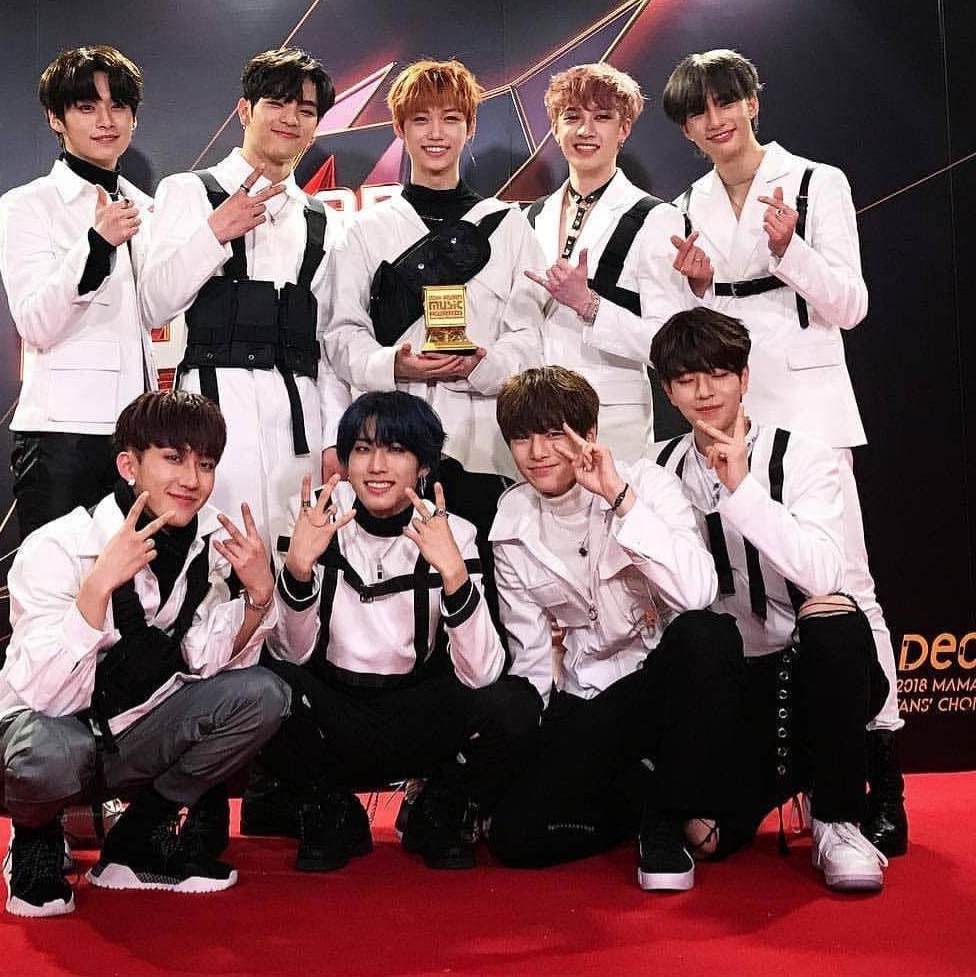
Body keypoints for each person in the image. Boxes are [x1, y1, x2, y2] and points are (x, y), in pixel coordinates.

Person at [660, 49, 905, 855]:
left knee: (846, 585)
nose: (715, 120)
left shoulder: (815, 182)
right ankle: (758, 755)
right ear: (685, 128)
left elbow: (851, 304)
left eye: (726, 101)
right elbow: (696, 329)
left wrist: (790, 249)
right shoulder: (687, 202)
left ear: (753, 101)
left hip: (807, 400)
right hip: (725, 403)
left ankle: (880, 777)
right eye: (698, 111)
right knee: (734, 579)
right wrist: (696, 287)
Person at [0, 391, 291, 917]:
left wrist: (258, 597)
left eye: (206, 464)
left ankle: (137, 840)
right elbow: (45, 695)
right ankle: (35, 839)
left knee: (262, 696)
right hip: (45, 737)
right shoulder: (58, 545)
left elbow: (202, 660)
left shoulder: (207, 547)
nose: (192, 480)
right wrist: (97, 589)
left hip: (131, 733)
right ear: (128, 466)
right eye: (173, 458)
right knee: (50, 753)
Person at [651, 307, 890, 891]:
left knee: (832, 617)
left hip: (814, 674)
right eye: (687, 379)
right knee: (705, 841)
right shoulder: (655, 467)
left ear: (745, 378)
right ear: (668, 390)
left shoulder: (804, 455)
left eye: (719, 374)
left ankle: (838, 819)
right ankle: (787, 782)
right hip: (730, 693)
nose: (705, 391)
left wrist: (741, 489)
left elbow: (824, 571)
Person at [259, 391, 541, 872]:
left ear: (424, 466)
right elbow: (291, 652)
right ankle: (329, 809)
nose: (376, 466)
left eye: (395, 450)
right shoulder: (310, 515)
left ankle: (441, 806)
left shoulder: (455, 531)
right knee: (264, 687)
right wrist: (299, 569)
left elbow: (482, 673)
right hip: (335, 710)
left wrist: (454, 574)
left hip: (420, 712)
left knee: (515, 704)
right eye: (362, 449)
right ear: (345, 461)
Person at [486, 367, 735, 893]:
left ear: (590, 433)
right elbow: (531, 658)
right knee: (515, 838)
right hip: (590, 699)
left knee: (706, 634)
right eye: (522, 438)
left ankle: (664, 820)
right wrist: (543, 756)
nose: (538, 453)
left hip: (663, 687)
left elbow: (697, 591)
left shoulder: (646, 484)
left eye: (553, 434)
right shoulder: (510, 522)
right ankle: (641, 799)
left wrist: (618, 497)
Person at [141, 46, 350, 552]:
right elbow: (154, 304)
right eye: (277, 103)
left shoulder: (324, 220)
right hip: (213, 422)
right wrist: (214, 233)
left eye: (305, 110)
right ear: (244, 111)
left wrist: (333, 439)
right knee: (216, 559)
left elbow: (328, 342)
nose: (290, 118)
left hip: (300, 425)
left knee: (297, 561)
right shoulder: (189, 192)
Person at [324, 58, 547, 482]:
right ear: (399, 128)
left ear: (470, 127)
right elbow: (341, 334)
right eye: (421, 119)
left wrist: (481, 365)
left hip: (488, 442)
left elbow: (530, 338)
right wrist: (394, 364)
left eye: (451, 119)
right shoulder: (365, 229)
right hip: (392, 444)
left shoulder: (509, 227)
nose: (436, 133)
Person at [0, 45, 156, 540]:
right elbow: (35, 322)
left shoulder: (148, 208)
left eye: (118, 106)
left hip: (142, 437)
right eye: (87, 107)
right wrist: (96, 244)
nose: (106, 121)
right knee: (57, 579)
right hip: (62, 437)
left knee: (137, 582)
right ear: (56, 118)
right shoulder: (27, 205)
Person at [523, 64, 690, 461]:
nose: (586, 130)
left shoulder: (655, 217)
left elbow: (667, 345)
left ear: (624, 129)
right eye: (572, 117)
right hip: (536, 419)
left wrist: (590, 305)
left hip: (613, 421)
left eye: (601, 117)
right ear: (555, 128)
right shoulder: (532, 217)